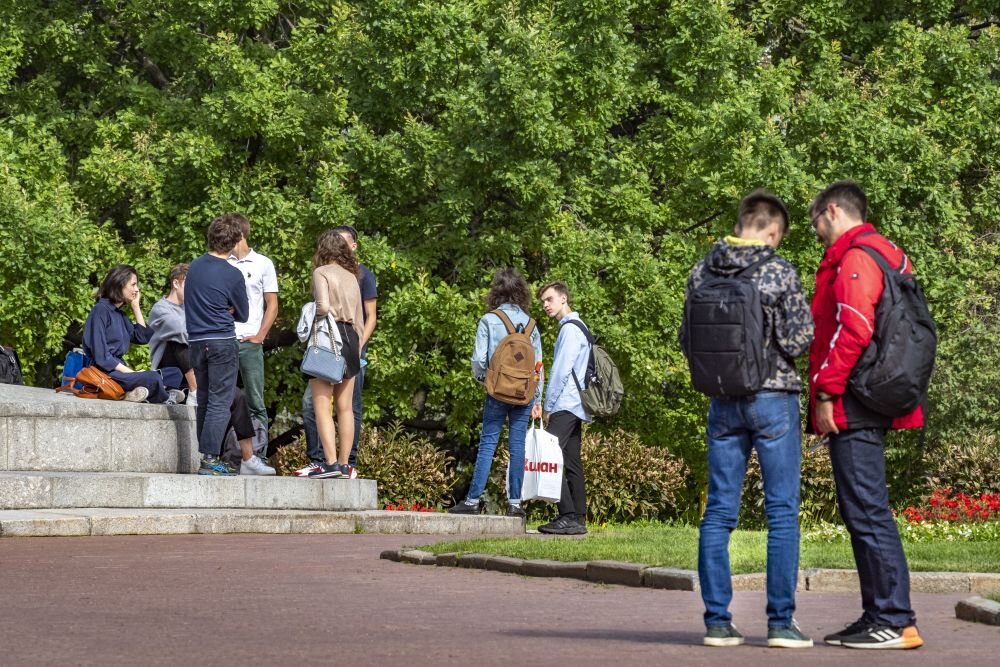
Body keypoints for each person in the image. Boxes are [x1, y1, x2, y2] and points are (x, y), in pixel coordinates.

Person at [681, 191, 814, 648]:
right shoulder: (778, 269)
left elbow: (688, 339)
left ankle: (717, 621)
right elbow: (798, 341)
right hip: (773, 398)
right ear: (773, 231)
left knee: (718, 511)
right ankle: (780, 623)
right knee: (781, 512)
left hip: (721, 399)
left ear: (741, 224)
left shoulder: (702, 270)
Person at [807, 180, 924, 650]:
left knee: (868, 511)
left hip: (855, 398)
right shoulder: (890, 255)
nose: (816, 232)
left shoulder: (857, 257)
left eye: (816, 222)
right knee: (863, 510)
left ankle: (894, 618)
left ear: (831, 211)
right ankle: (879, 613)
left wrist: (827, 392)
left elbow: (853, 328)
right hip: (877, 392)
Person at [148, 263, 274, 476]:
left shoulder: (192, 310)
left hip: (200, 368)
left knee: (238, 396)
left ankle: (248, 458)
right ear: (176, 283)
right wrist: (213, 319)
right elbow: (183, 332)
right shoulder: (161, 309)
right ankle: (196, 393)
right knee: (178, 344)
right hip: (173, 376)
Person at [450, 268, 543, 517]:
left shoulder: (489, 320)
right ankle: (515, 503)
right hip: (523, 395)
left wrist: (486, 380)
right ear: (522, 293)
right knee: (517, 447)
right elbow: (539, 366)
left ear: (496, 292)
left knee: (488, 444)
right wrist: (538, 398)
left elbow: (479, 360)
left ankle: (472, 501)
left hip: (497, 392)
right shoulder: (532, 326)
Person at [299, 225, 377, 473]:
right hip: (352, 339)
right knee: (346, 407)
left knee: (322, 406)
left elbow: (322, 306)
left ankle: (329, 463)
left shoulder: (321, 271)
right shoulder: (353, 276)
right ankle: (346, 464)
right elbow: (360, 317)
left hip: (327, 337)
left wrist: (311, 311)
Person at [185, 213, 252, 477]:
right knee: (220, 401)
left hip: (196, 341)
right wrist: (228, 310)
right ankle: (211, 458)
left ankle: (206, 455)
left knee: (203, 399)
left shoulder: (195, 266)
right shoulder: (233, 274)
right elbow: (244, 314)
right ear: (236, 241)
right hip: (221, 341)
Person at [82, 264, 184, 405]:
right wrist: (131, 373)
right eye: (133, 284)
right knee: (152, 378)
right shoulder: (100, 311)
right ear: (119, 284)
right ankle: (164, 395)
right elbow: (102, 357)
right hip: (106, 374)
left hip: (121, 372)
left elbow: (141, 337)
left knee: (175, 372)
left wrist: (135, 306)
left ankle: (144, 392)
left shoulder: (119, 314)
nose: (137, 289)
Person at [534, 281, 590, 535]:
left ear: (564, 298)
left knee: (549, 456)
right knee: (571, 460)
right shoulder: (581, 328)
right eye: (543, 302)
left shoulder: (569, 330)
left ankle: (567, 514)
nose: (546, 305)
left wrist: (547, 405)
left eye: (549, 299)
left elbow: (560, 372)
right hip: (577, 405)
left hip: (565, 404)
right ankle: (578, 518)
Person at [229, 218, 279, 432]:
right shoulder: (223, 262)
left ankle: (259, 456)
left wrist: (260, 336)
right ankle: (223, 457)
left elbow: (273, 304)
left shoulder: (263, 263)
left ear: (240, 234)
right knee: (223, 400)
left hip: (251, 341)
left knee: (256, 402)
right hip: (225, 340)